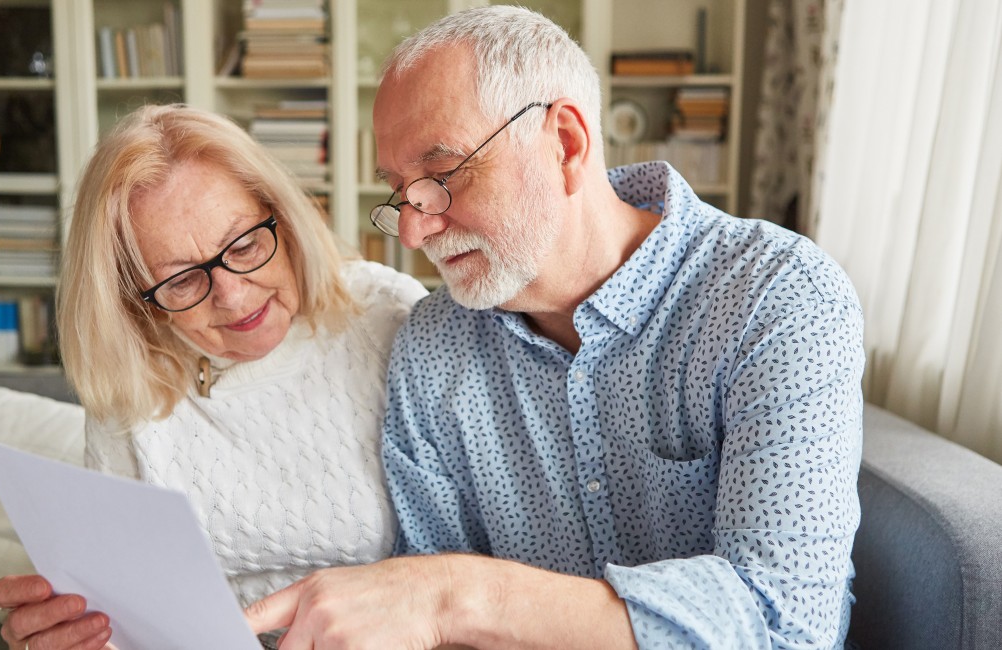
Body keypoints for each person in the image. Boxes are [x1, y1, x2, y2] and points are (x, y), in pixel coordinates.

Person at [245, 6, 864, 649]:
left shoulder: (775, 298)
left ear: (565, 144)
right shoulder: (433, 347)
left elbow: (786, 626)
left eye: (443, 174)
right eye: (401, 190)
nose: (411, 228)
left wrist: (456, 596)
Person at [0, 104, 428, 650]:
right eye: (181, 281)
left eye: (244, 245)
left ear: (284, 218)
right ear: (137, 300)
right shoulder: (134, 384)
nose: (233, 295)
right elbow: (130, 612)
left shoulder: (388, 317)